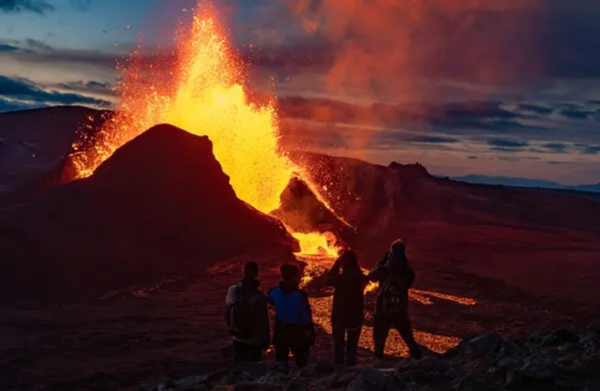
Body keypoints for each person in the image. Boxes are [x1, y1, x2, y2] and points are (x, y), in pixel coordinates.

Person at [368, 239, 422, 360]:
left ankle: (377, 365)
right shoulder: (408, 272)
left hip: (383, 310)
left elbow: (371, 276)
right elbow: (408, 282)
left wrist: (382, 261)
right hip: (400, 310)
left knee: (379, 340)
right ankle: (418, 359)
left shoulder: (384, 269)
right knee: (408, 337)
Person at [268, 264, 315, 368]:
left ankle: (280, 381)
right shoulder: (300, 295)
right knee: (301, 363)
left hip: (281, 330)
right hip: (298, 332)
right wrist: (310, 334)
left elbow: (270, 300)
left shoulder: (274, 293)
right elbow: (306, 317)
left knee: (281, 363)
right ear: (295, 277)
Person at [326, 249, 368, 366]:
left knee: (338, 344)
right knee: (352, 345)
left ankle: (339, 366)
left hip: (339, 316)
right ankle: (351, 365)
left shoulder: (340, 279)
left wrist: (336, 264)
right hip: (355, 316)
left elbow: (328, 279)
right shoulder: (360, 277)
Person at [225, 261, 270, 363]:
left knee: (239, 370)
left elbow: (229, 306)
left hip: (237, 338)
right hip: (254, 341)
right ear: (256, 274)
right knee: (254, 372)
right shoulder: (259, 297)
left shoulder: (233, 291)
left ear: (243, 272)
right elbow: (263, 321)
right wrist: (266, 341)